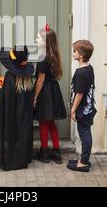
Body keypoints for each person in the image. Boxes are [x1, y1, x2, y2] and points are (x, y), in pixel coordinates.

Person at [33, 25, 67, 164]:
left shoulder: (42, 57)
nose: (36, 39)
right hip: (54, 91)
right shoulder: (54, 55)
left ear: (45, 41)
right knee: (51, 122)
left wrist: (34, 97)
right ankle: (57, 152)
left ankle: (44, 152)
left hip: (45, 92)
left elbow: (40, 80)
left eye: (38, 37)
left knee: (43, 122)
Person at [0, 46, 34, 171]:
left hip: (12, 114)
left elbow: (6, 98)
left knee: (12, 132)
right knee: (23, 132)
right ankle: (23, 157)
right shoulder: (28, 79)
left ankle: (11, 159)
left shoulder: (9, 77)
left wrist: (1, 88)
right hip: (24, 114)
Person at [67, 40, 97, 172]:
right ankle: (83, 159)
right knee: (85, 132)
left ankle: (84, 163)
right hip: (88, 108)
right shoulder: (88, 68)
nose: (73, 53)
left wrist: (73, 109)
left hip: (84, 109)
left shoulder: (81, 73)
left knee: (84, 133)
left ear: (81, 55)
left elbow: (79, 94)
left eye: (75, 51)